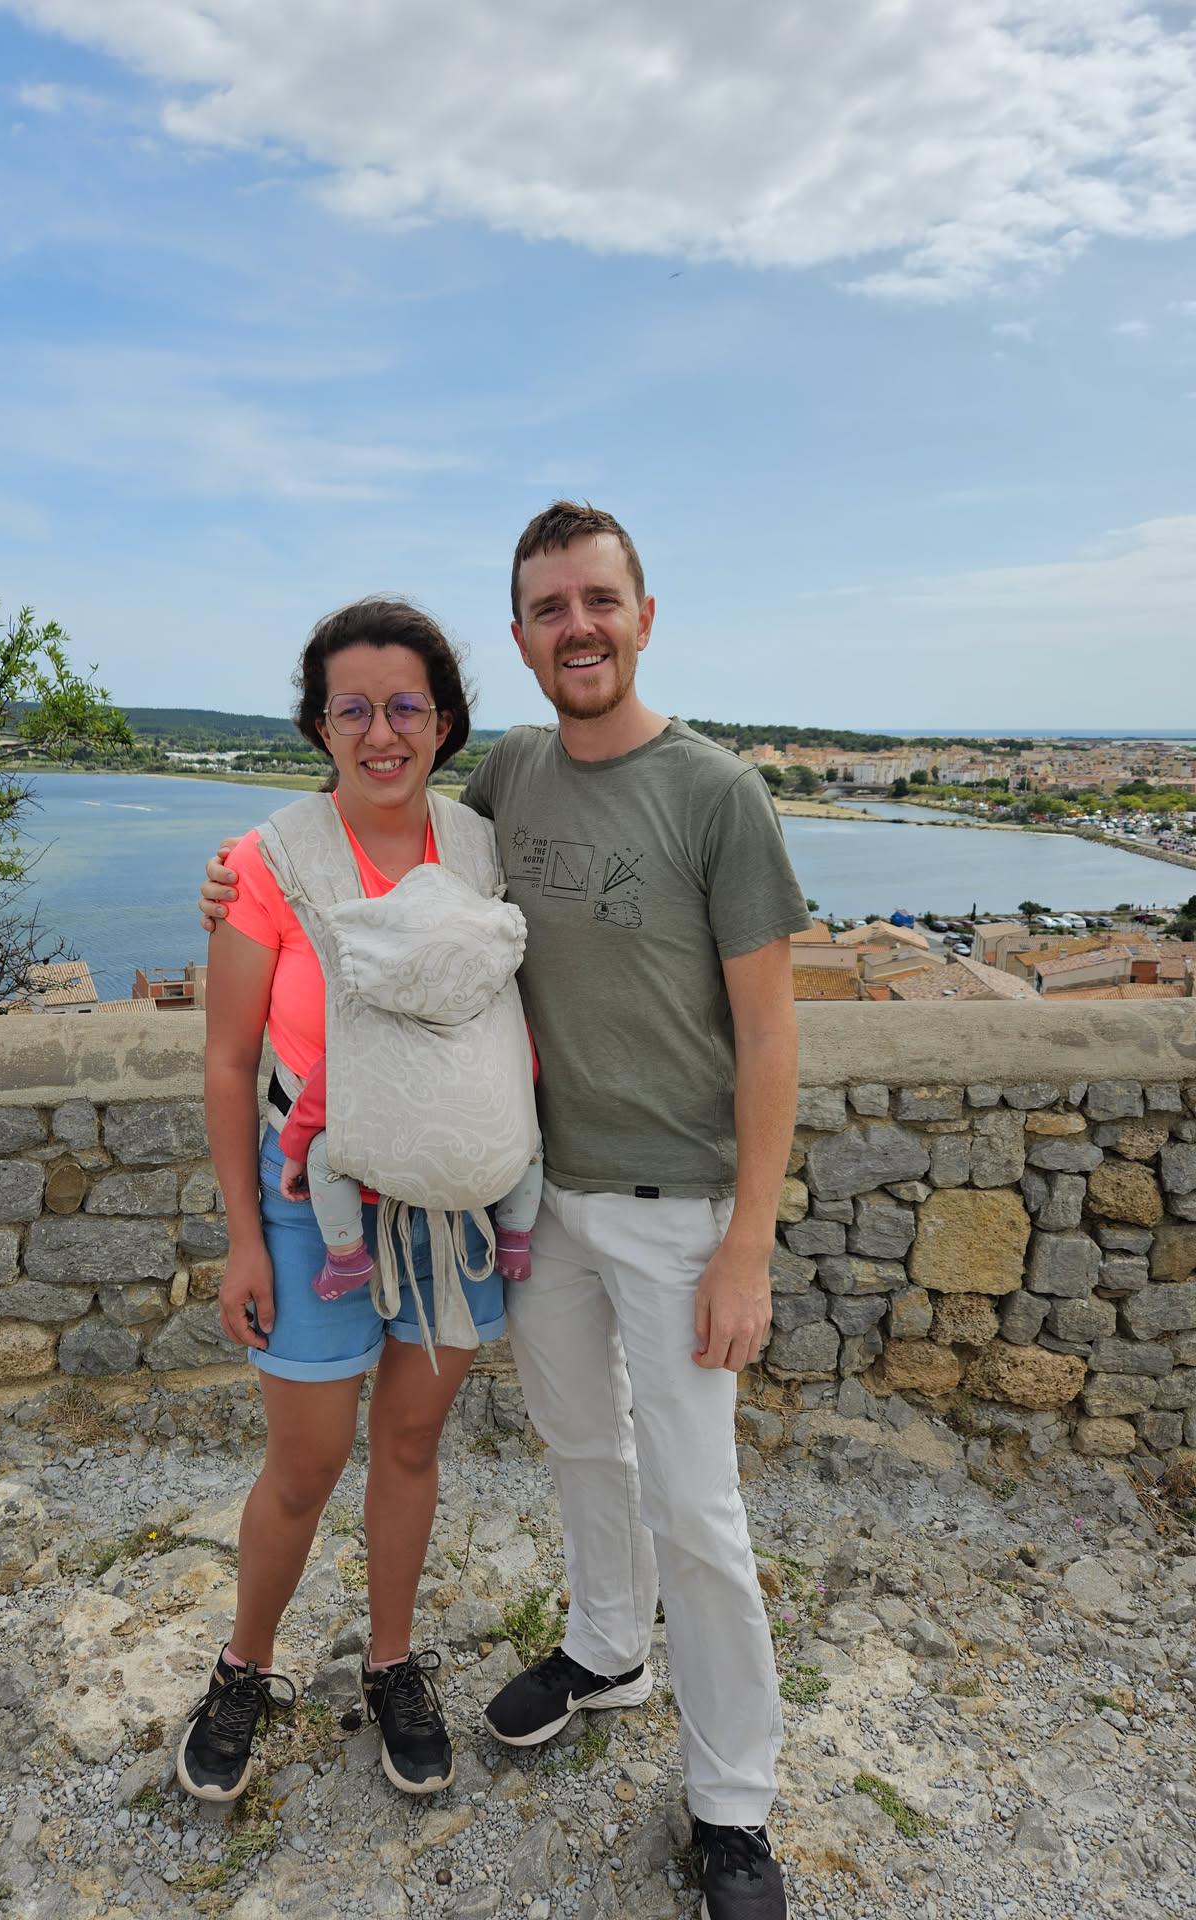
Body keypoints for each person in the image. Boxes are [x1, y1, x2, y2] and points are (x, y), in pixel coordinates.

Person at [200, 504, 808, 1920]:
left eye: (599, 600)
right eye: (549, 607)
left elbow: (772, 1032)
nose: (577, 627)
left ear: (643, 614)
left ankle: (732, 1802)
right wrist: (232, 878)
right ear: (524, 639)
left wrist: (748, 1242)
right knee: (570, 1447)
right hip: (511, 1203)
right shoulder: (500, 792)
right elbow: (276, 974)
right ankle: (598, 1647)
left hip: (646, 1202)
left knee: (694, 1504)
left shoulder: (696, 795)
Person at [182, 597, 526, 1809]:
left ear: (445, 723)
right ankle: (245, 1664)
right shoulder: (269, 862)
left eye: (406, 707)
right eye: (354, 709)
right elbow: (229, 1061)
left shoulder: (481, 850)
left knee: (413, 1442)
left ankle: (391, 1662)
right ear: (320, 726)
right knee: (306, 1459)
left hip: (449, 1201)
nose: (382, 732)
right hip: (305, 1203)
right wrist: (242, 1238)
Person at [276, 1054, 544, 1296]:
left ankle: (346, 1255)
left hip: (394, 1141)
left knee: (324, 1153)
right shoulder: (496, 1016)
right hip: (470, 1144)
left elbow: (331, 1081)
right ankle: (515, 1238)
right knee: (528, 1139)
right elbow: (525, 1069)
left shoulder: (377, 1016)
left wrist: (295, 1150)